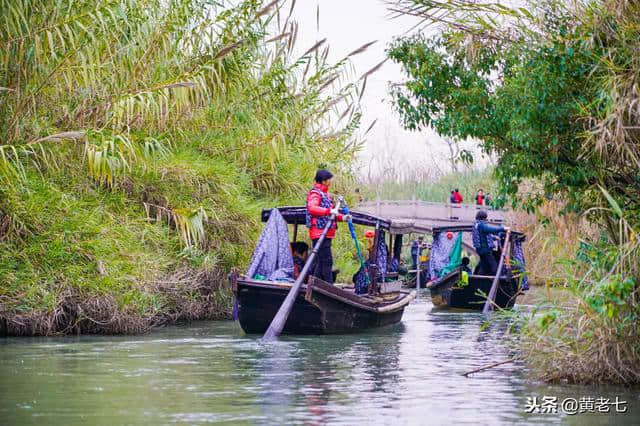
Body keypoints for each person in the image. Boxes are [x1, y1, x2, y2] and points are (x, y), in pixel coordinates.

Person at [306, 169, 351, 284]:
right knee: (327, 261)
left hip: (326, 234)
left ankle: (315, 284)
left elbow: (333, 214)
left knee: (320, 261)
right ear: (324, 181)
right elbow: (312, 208)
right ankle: (328, 286)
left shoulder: (326, 195)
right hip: (319, 232)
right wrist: (328, 210)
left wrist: (343, 217)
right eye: (329, 179)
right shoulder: (315, 193)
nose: (331, 181)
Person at [472, 210, 509, 276]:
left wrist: (495, 238)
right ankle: (497, 278)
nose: (486, 219)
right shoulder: (481, 225)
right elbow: (491, 230)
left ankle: (478, 278)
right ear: (483, 218)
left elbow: (482, 236)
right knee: (493, 264)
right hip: (485, 250)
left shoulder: (475, 225)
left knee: (484, 265)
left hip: (479, 250)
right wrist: (503, 228)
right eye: (485, 218)